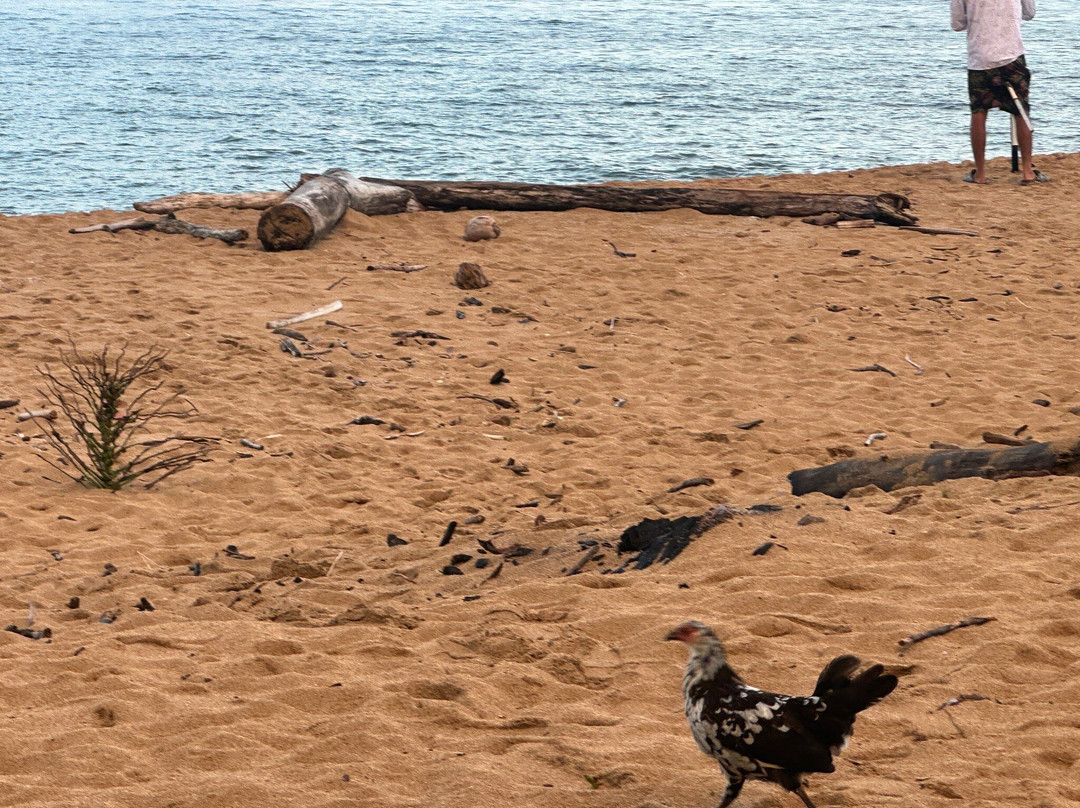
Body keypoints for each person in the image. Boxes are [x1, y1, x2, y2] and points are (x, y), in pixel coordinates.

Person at [951, 0, 1046, 185]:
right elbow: (1029, 13)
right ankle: (1027, 171)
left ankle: (981, 173)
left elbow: (957, 24)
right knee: (1021, 111)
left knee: (978, 112)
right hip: (1011, 55)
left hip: (980, 58)